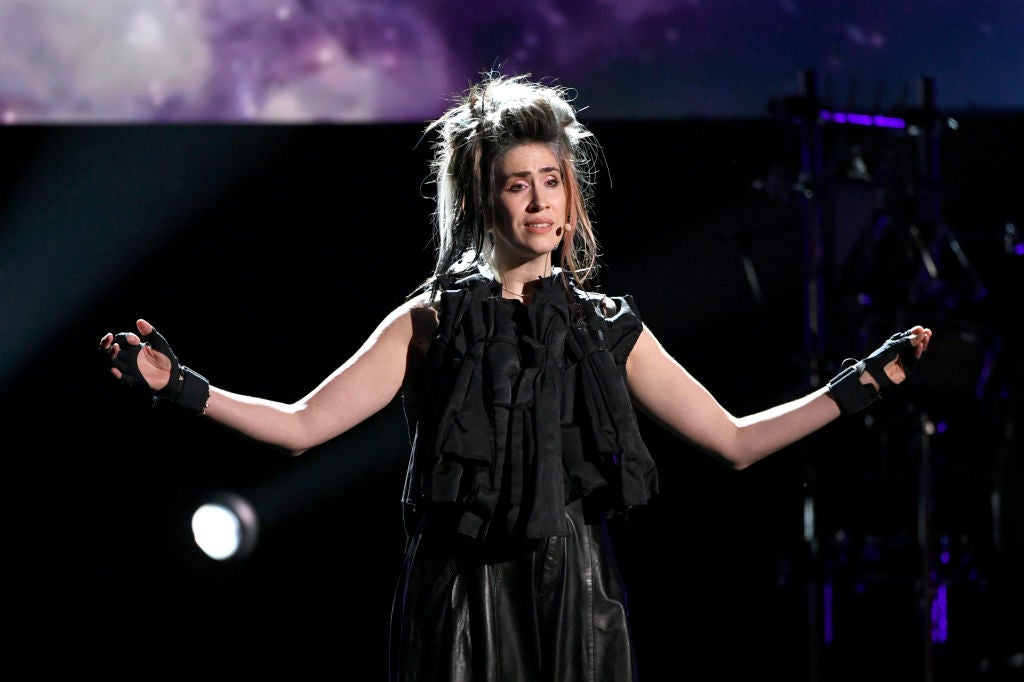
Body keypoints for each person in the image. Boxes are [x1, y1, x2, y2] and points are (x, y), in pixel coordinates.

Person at [98, 72, 933, 682]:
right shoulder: (428, 320)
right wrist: (183, 387)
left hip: (577, 594)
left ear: (572, 199)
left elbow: (737, 441)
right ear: (482, 199)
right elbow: (302, 425)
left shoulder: (605, 326)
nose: (539, 202)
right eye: (517, 185)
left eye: (552, 183)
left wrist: (863, 384)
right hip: (458, 599)